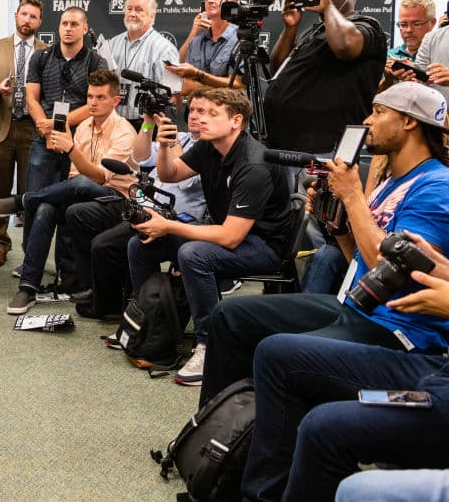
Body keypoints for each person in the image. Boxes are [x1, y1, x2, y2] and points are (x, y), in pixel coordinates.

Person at [200, 81, 449, 418]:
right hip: (355, 306)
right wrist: (338, 226)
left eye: (379, 112)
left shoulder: (436, 186)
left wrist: (352, 196)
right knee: (230, 315)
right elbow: (357, 260)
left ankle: (258, 443)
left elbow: (395, 270)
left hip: (395, 329)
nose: (368, 121)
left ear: (408, 122)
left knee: (276, 352)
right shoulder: (393, 182)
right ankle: (214, 427)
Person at [243, 232, 449, 502]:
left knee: (323, 428)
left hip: (418, 353)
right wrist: (436, 264)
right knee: (275, 352)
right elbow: (366, 259)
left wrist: (353, 203)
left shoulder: (433, 202)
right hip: (436, 366)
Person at [127, 87, 293, 386]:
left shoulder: (254, 164)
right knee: (141, 244)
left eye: (211, 114)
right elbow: (170, 174)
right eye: (200, 112)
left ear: (236, 121)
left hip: (264, 246)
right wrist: (164, 146)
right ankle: (148, 321)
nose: (201, 119)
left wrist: (169, 226)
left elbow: (230, 238)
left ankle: (209, 344)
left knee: (193, 254)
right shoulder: (209, 147)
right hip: (230, 233)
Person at [0, 69, 137, 313]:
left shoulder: (125, 131)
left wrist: (70, 149)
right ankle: (28, 287)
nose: (93, 102)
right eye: (90, 97)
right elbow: (74, 176)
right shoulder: (84, 126)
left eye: (100, 97)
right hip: (84, 193)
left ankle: (22, 200)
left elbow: (99, 177)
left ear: (115, 101)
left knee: (82, 183)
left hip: (116, 199)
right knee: (45, 208)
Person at [67, 108, 206, 318]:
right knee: (78, 214)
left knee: (104, 245)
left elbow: (185, 181)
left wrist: (171, 141)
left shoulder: (207, 150)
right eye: (192, 110)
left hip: (176, 218)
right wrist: (148, 123)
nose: (194, 115)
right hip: (146, 206)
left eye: (201, 111)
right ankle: (102, 294)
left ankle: (113, 305)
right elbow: (141, 157)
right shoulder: (184, 138)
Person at [24, 6, 108, 281]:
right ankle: (29, 262)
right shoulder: (41, 57)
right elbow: (32, 97)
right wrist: (43, 124)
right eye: (64, 23)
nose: (68, 28)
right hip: (43, 139)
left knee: (70, 204)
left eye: (74, 24)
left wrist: (59, 123)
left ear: (85, 28)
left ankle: (65, 267)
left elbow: (94, 104)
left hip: (78, 139)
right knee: (36, 200)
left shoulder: (96, 62)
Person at [263, 0, 386, 155]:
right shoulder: (312, 31)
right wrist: (290, 28)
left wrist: (328, 8)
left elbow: (345, 47)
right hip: (286, 141)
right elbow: (278, 69)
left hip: (326, 145)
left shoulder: (366, 25)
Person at [0, 0, 48, 268]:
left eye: (33, 16)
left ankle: (30, 248)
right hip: (1, 128)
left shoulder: (47, 52)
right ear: (15, 16)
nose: (27, 20)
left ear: (39, 22)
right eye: (24, 14)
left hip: (33, 130)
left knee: (31, 193)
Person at [98, 0, 179, 127]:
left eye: (139, 10)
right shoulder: (111, 44)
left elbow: (173, 95)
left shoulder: (165, 49)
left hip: (146, 125)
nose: (132, 13)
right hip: (114, 124)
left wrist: (153, 128)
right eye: (129, 9)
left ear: (152, 16)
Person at [165, 0, 242, 94]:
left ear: (230, 3)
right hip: (195, 104)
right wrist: (194, 33)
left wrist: (198, 76)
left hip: (225, 105)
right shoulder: (196, 41)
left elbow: (238, 85)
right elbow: (184, 86)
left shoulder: (240, 39)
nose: (210, 0)